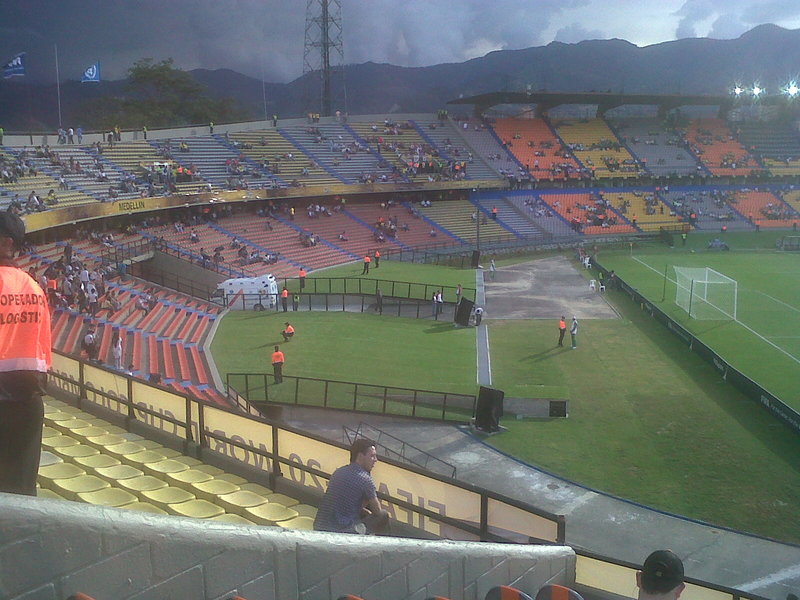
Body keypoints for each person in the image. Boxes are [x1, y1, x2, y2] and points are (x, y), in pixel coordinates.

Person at [0, 212, 52, 496]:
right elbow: (44, 351)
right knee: (20, 496)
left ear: (6, 243)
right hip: (28, 403)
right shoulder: (34, 287)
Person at [313, 438, 390, 534]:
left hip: (319, 527)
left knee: (364, 513)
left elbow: (342, 503)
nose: (375, 460)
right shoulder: (365, 479)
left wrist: (364, 511)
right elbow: (377, 511)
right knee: (383, 515)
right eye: (372, 456)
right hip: (341, 533)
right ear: (361, 456)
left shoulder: (338, 472)